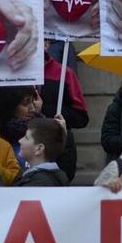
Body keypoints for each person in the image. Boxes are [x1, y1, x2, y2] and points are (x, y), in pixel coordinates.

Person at [40, 43, 89, 181]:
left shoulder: (64, 74)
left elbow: (81, 118)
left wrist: (46, 110)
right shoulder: (13, 74)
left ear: (47, 44)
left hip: (59, 153)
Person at [0, 117, 69, 187]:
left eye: (26, 138)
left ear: (39, 149)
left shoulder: (41, 182)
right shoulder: (38, 177)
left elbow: (14, 198)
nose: (20, 141)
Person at [0, 85, 40, 163]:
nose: (32, 109)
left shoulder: (43, 131)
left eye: (33, 101)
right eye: (26, 103)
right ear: (10, 105)